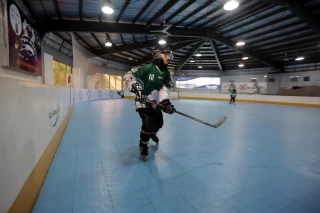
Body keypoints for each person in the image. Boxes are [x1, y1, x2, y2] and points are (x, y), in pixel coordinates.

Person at [123, 44, 176, 161]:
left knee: (159, 124)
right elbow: (128, 75)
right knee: (148, 124)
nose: (168, 57)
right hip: (143, 102)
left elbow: (164, 89)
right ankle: (143, 145)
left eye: (168, 54)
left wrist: (166, 103)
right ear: (158, 55)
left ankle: (151, 133)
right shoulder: (148, 68)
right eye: (166, 54)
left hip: (155, 104)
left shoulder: (166, 73)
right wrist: (137, 88)